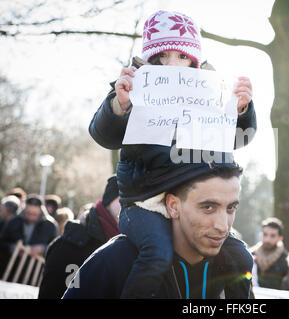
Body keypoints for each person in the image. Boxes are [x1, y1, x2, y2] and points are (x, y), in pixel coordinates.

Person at [88, 10, 257, 299]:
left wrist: (240, 110)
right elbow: (103, 135)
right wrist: (120, 104)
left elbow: (238, 138)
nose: (171, 65)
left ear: (195, 60)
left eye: (181, 57)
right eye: (162, 57)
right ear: (150, 59)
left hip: (191, 202)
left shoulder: (209, 92)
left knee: (240, 258)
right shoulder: (135, 87)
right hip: (143, 203)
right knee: (157, 254)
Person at [63, 165, 253, 299]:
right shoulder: (116, 260)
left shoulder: (235, 264)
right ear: (173, 205)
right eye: (208, 207)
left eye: (231, 208)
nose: (222, 226)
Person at [38, 176, 120, 299]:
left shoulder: (133, 245)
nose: (131, 206)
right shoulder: (66, 247)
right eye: (124, 198)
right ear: (110, 200)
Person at [250, 217, 289, 289]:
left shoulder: (286, 260)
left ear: (280, 238)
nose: (268, 239)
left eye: (273, 236)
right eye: (265, 234)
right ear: (261, 235)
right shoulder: (250, 255)